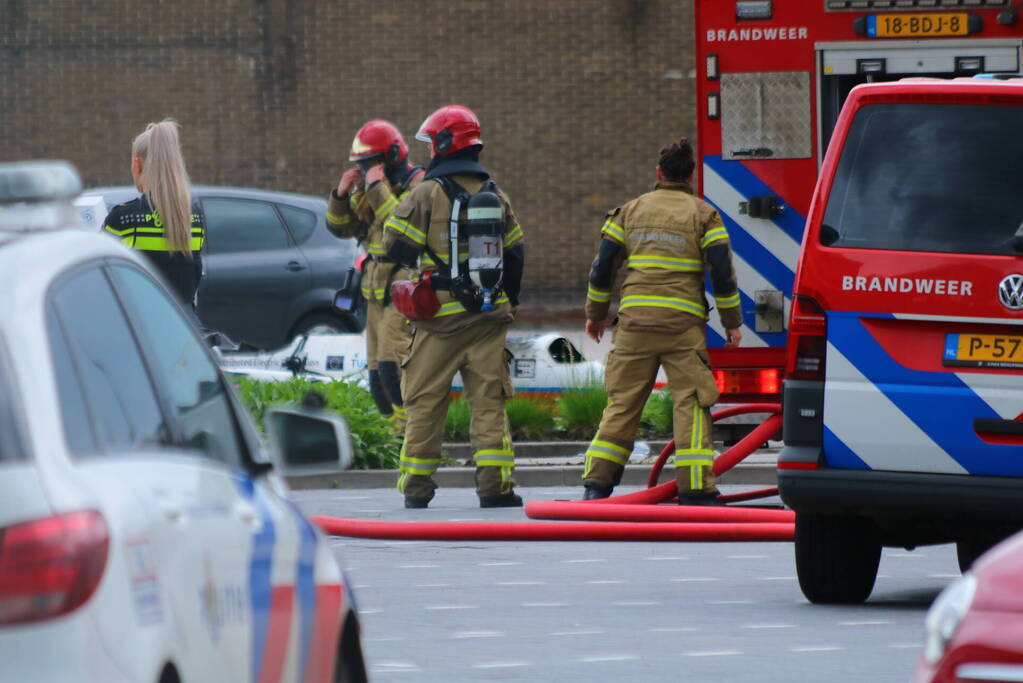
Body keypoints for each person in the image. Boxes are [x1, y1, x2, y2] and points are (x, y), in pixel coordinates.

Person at [581, 138, 743, 505]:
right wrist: (732, 322)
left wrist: (596, 316)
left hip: (634, 324)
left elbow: (603, 268)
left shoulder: (629, 212)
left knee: (623, 403)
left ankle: (596, 485)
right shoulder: (704, 215)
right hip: (682, 326)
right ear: (691, 176)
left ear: (659, 173)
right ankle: (696, 488)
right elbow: (722, 273)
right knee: (691, 401)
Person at [380, 104, 526, 509]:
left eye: (432, 142)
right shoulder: (496, 194)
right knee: (489, 403)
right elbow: (516, 254)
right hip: (488, 319)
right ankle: (495, 488)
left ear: (445, 144)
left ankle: (416, 489)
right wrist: (508, 303)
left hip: (437, 323)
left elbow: (393, 246)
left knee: (424, 403)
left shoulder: (426, 193)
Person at [326, 120, 425, 434]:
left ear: (392, 156)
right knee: (375, 377)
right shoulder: (371, 188)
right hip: (374, 288)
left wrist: (375, 186)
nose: (366, 169)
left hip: (403, 285)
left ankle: (412, 433)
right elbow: (343, 229)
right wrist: (341, 195)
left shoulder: (419, 183)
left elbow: (402, 226)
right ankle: (392, 435)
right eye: (362, 164)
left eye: (371, 162)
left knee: (392, 367)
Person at [103, 119, 205, 310]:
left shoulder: (123, 218)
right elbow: (194, 275)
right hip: (183, 322)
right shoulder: (195, 215)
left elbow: (102, 278)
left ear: (137, 164)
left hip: (141, 321)